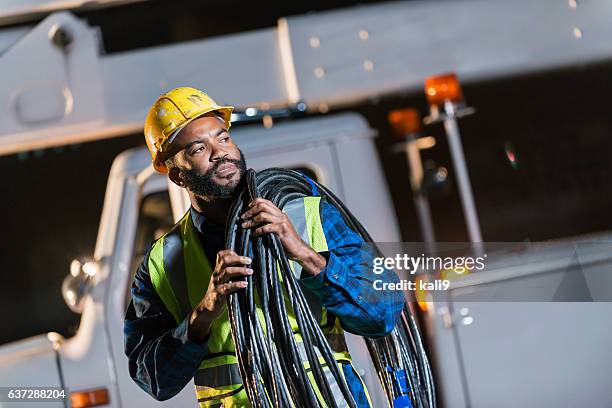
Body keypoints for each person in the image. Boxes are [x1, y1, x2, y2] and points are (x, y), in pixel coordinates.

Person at [124, 87, 404, 408]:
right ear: (177, 176)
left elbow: (383, 313)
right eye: (199, 148)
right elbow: (152, 378)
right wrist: (204, 313)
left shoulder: (306, 215)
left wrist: (305, 255)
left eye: (224, 138)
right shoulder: (162, 262)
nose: (220, 153)